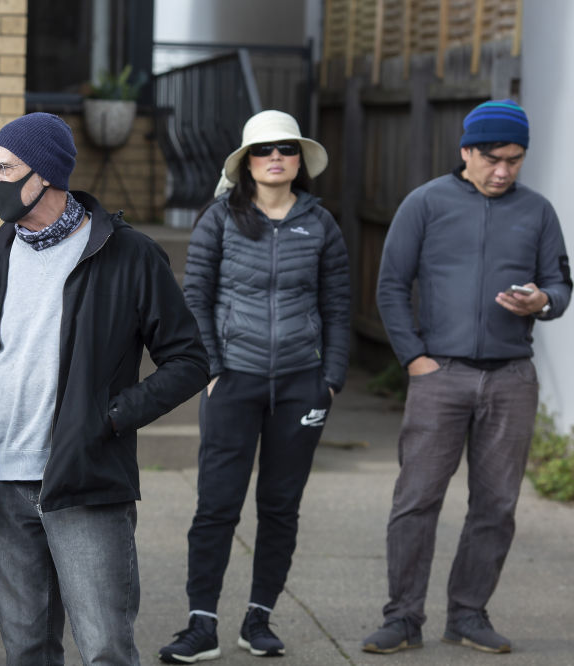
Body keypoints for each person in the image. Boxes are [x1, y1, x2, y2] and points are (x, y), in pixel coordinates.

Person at [0, 112, 210, 665]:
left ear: (43, 174)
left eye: (3, 168)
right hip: (0, 483)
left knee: (106, 648)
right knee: (27, 650)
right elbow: (2, 355)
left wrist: (108, 417)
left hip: (85, 479)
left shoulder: (128, 254)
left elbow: (188, 361)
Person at [362, 99, 571, 655]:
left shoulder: (539, 212)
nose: (503, 170)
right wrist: (415, 360)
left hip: (511, 376)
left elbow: (561, 285)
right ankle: (403, 617)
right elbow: (389, 286)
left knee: (497, 505)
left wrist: (542, 301)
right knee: (417, 499)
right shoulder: (424, 204)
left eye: (516, 159)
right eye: (493, 158)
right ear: (466, 151)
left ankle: (469, 614)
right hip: (441, 374)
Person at [158, 110, 351, 663]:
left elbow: (337, 307)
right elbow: (194, 299)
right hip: (233, 382)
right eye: (264, 150)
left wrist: (330, 380)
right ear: (246, 162)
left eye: (286, 149)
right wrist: (213, 370)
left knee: (280, 506)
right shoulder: (218, 219)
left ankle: (259, 618)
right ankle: (201, 624)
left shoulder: (321, 224)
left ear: (298, 161)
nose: (275, 158)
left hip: (300, 385)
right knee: (216, 506)